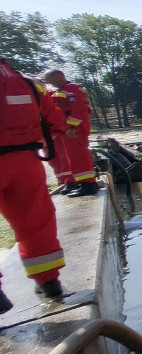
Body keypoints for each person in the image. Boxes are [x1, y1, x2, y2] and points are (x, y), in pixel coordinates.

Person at [0, 58, 67, 313]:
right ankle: (49, 283)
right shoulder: (28, 83)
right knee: (36, 222)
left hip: (22, 156)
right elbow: (56, 121)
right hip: (26, 162)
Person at [43, 69, 98, 197]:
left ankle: (88, 184)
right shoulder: (61, 90)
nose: (49, 83)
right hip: (67, 128)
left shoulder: (72, 88)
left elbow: (79, 108)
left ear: (56, 76)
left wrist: (72, 126)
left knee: (79, 155)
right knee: (72, 156)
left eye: (49, 79)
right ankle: (83, 183)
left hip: (74, 128)